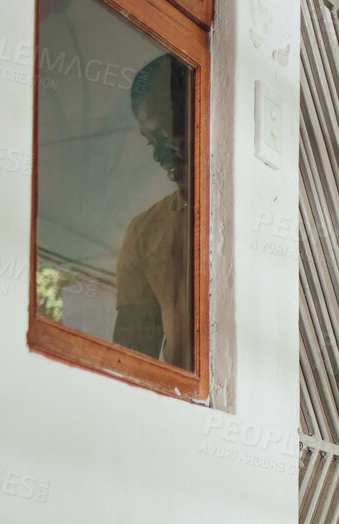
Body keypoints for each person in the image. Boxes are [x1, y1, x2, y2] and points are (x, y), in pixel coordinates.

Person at [113, 54, 191, 368]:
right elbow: (132, 365)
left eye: (167, 135)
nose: (159, 156)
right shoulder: (145, 234)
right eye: (150, 142)